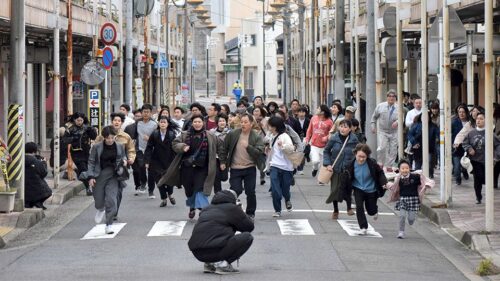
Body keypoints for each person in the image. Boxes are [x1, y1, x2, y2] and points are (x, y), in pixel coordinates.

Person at [159, 115, 218, 219]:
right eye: (195, 122)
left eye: (199, 122)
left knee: (199, 188)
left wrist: (222, 161)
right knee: (189, 190)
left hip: (202, 168)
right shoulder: (185, 134)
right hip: (187, 167)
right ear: (192, 123)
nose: (197, 124)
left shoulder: (210, 135)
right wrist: (183, 147)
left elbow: (219, 146)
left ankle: (204, 210)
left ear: (203, 123)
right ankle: (192, 206)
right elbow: (174, 144)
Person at [188, 189, 254, 275]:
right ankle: (223, 265)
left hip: (198, 253)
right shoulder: (232, 208)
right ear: (233, 199)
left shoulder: (206, 209)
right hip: (215, 251)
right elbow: (249, 227)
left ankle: (209, 264)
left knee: (214, 235)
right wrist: (240, 210)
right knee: (247, 237)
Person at [219, 113, 266, 220]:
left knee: (250, 191)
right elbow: (223, 148)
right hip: (235, 168)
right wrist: (222, 162)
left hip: (250, 168)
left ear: (251, 123)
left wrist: (248, 147)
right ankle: (231, 211)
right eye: (242, 122)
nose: (243, 124)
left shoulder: (256, 136)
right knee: (235, 190)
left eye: (246, 122)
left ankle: (250, 213)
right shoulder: (233, 134)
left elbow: (259, 152)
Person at [83, 126, 128, 234]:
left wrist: (125, 161)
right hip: (99, 175)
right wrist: (91, 177)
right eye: (108, 138)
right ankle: (100, 208)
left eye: (112, 138)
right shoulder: (97, 147)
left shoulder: (120, 146)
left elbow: (123, 157)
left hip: (113, 175)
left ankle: (109, 224)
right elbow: (91, 162)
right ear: (104, 137)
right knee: (99, 199)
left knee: (111, 200)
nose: (110, 140)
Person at [95, 113, 136, 220]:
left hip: (121, 168)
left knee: (118, 191)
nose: (117, 122)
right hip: (105, 168)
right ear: (112, 122)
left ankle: (114, 211)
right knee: (108, 190)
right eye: (115, 120)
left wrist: (131, 158)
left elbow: (131, 150)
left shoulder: (126, 137)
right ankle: (109, 209)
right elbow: (95, 148)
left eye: (119, 121)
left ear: (122, 123)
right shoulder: (102, 135)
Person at [387, 159, 434, 239]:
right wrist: (387, 185)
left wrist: (426, 185)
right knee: (402, 216)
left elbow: (424, 181)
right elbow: (394, 186)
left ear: (409, 168)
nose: (405, 170)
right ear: (399, 169)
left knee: (411, 219)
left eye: (407, 168)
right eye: (403, 168)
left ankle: (411, 220)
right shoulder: (398, 179)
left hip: (413, 199)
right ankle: (401, 232)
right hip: (402, 199)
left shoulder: (415, 177)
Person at [346, 144, 387, 235]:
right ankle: (363, 227)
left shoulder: (372, 163)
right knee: (359, 207)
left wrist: (384, 183)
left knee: (371, 211)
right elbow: (347, 177)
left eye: (364, 157)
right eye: (359, 156)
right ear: (355, 154)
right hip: (358, 188)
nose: (361, 159)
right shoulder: (350, 164)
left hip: (371, 189)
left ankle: (374, 210)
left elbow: (380, 173)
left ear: (367, 156)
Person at [323, 119, 359, 220]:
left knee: (348, 189)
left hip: (348, 169)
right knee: (335, 189)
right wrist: (328, 164)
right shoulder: (334, 138)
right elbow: (326, 151)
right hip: (335, 169)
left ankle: (348, 208)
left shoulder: (354, 139)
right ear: (338, 127)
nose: (343, 129)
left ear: (350, 128)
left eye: (345, 127)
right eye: (341, 126)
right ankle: (335, 210)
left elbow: (359, 152)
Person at [462, 112, 500, 204]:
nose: (478, 120)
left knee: (485, 179)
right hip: (475, 160)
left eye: (481, 119)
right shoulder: (471, 133)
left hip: (487, 161)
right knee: (477, 180)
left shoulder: (491, 134)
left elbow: (498, 145)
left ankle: (489, 197)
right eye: (477, 118)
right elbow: (465, 143)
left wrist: (496, 157)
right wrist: (469, 149)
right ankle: (478, 197)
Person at [125, 104, 158, 196]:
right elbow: (133, 133)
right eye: (144, 112)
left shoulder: (155, 124)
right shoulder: (137, 123)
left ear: (151, 113)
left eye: (148, 112)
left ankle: (151, 190)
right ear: (141, 112)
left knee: (151, 170)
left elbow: (157, 137)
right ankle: (143, 182)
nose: (146, 114)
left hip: (151, 150)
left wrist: (150, 139)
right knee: (141, 167)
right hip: (139, 149)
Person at [145, 116, 178, 207]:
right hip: (156, 161)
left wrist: (176, 162)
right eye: (161, 122)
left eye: (164, 122)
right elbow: (149, 148)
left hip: (169, 161)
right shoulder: (154, 134)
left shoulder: (171, 134)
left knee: (169, 180)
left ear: (167, 124)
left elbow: (175, 148)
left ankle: (170, 194)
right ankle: (164, 199)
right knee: (159, 181)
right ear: (158, 123)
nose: (163, 124)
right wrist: (147, 161)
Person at [63, 112, 97, 196]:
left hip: (86, 150)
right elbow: (65, 140)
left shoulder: (87, 127)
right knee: (83, 169)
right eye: (78, 120)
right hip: (76, 151)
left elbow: (93, 137)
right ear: (74, 120)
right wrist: (74, 138)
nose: (79, 122)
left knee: (86, 169)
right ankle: (89, 186)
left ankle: (88, 184)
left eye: (81, 120)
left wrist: (92, 131)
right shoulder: (69, 128)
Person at [267, 116, 295, 217]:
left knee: (285, 189)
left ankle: (287, 199)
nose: (268, 127)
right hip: (274, 165)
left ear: (275, 127)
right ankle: (277, 210)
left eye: (270, 125)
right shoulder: (270, 135)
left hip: (286, 167)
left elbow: (291, 149)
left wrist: (282, 146)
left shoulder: (284, 136)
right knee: (275, 190)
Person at [371, 90, 399, 171]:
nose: (391, 98)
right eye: (389, 96)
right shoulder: (380, 106)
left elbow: (401, 118)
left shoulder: (398, 107)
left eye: (393, 96)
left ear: (395, 98)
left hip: (394, 131)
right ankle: (380, 163)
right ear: (387, 97)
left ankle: (389, 165)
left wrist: (397, 122)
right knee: (382, 147)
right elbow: (374, 117)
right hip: (383, 131)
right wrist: (373, 126)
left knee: (393, 149)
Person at [304, 105, 334, 178]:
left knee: (323, 164)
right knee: (315, 161)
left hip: (325, 146)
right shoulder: (313, 118)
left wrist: (326, 137)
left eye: (318, 109)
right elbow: (309, 129)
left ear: (323, 112)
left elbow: (332, 132)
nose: (316, 110)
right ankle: (315, 168)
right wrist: (307, 138)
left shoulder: (329, 121)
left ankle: (321, 179)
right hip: (314, 144)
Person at [25, 142, 52, 210]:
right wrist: (44, 163)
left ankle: (29, 203)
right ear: (35, 151)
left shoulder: (20, 160)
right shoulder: (36, 161)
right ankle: (37, 202)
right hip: (37, 190)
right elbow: (44, 173)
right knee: (48, 191)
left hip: (23, 189)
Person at [210, 113, 231, 194]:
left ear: (226, 122)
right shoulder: (212, 132)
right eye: (220, 121)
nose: (222, 122)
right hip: (215, 157)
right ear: (217, 123)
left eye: (223, 121)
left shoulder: (230, 133)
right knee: (216, 175)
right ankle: (217, 192)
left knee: (224, 177)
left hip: (226, 157)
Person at [452, 104, 471, 185]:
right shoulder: (454, 122)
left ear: (466, 113)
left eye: (463, 112)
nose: (461, 114)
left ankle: (464, 171)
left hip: (466, 148)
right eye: (460, 112)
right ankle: (458, 179)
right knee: (456, 166)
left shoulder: (470, 123)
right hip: (456, 148)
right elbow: (450, 134)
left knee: (464, 164)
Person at [296, 106, 310, 174]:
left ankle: (300, 168)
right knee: (299, 153)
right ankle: (298, 167)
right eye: (300, 112)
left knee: (303, 153)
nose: (301, 113)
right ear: (298, 113)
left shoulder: (308, 121)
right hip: (297, 138)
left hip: (306, 138)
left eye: (303, 112)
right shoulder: (295, 121)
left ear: (305, 113)